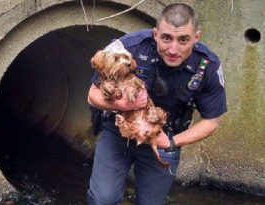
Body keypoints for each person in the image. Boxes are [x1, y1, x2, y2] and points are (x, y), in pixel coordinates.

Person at [87, 3, 227, 205]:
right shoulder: (129, 46)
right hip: (118, 131)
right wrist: (124, 105)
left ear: (196, 38)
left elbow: (211, 122)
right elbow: (92, 95)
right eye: (166, 38)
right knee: (103, 199)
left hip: (163, 138)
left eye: (183, 40)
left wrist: (171, 143)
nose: (173, 49)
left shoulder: (207, 66)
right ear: (155, 34)